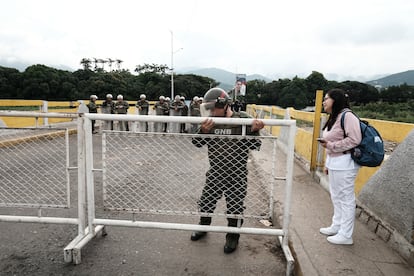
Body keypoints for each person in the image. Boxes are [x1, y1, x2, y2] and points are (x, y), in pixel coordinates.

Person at [190, 87, 264, 254]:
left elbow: (255, 146)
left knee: (235, 208)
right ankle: (203, 226)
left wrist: (254, 131)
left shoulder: (242, 119)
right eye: (208, 107)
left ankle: (233, 236)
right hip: (216, 171)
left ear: (224, 104)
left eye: (212, 107)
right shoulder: (211, 121)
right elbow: (196, 143)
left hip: (237, 173)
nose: (210, 111)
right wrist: (204, 131)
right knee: (206, 202)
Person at [318, 88, 362, 245]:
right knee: (336, 196)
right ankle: (336, 226)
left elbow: (355, 139)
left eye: (326, 99)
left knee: (346, 198)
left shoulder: (347, 116)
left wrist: (331, 146)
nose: (323, 102)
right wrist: (328, 162)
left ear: (335, 100)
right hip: (335, 162)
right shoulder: (334, 117)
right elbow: (331, 142)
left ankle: (346, 234)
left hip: (346, 163)